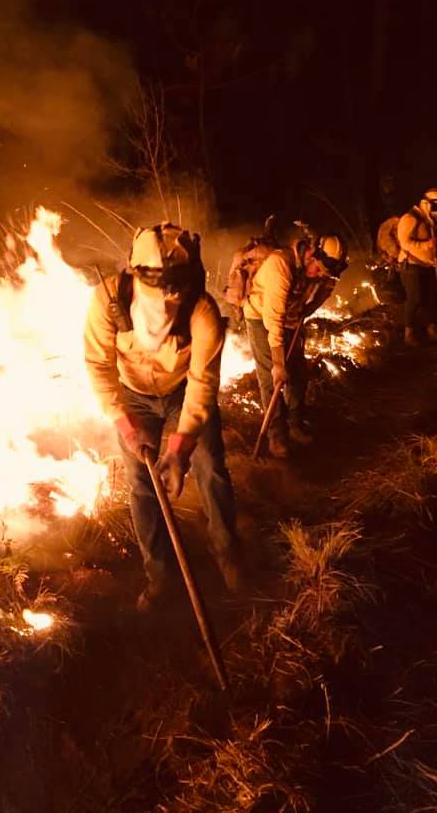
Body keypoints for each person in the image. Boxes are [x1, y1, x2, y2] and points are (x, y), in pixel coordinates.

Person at [84, 223, 240, 611]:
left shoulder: (202, 311)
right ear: (136, 273)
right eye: (159, 288)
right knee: (142, 484)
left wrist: (180, 447)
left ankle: (227, 554)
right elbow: (98, 365)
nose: (168, 298)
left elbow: (203, 382)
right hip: (134, 397)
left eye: (177, 288)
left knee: (210, 465)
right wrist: (126, 426)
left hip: (183, 391)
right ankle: (160, 576)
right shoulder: (108, 299)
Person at [243, 225, 349, 458]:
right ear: (311, 255)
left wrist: (309, 308)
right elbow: (274, 319)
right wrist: (278, 363)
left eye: (325, 273)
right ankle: (277, 434)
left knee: (298, 373)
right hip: (261, 316)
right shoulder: (280, 264)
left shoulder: (326, 269)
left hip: (292, 315)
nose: (320, 275)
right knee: (271, 376)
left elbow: (327, 288)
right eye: (318, 269)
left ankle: (295, 423)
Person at [396, 188, 437, 346]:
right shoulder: (410, 218)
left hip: (430, 264)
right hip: (411, 264)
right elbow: (405, 242)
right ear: (428, 203)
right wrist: (426, 245)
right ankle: (409, 333)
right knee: (415, 298)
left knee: (431, 298)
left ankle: (432, 330)